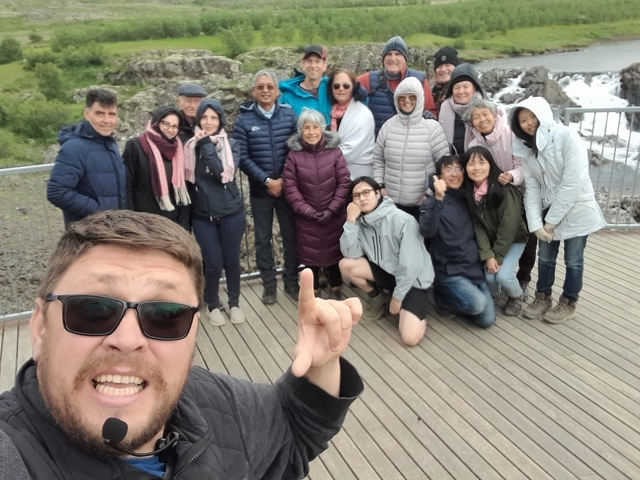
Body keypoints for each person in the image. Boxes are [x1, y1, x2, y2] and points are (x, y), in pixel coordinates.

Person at [0, 209, 364, 479]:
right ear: (39, 327)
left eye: (165, 315)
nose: (127, 340)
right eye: (93, 310)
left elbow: (293, 437)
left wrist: (322, 363)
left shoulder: (217, 402)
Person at [510, 96, 606, 324]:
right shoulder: (528, 149)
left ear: (543, 114)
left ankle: (569, 302)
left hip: (577, 207)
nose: (529, 123)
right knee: (545, 258)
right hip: (548, 209)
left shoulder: (567, 137)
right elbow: (531, 189)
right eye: (523, 120)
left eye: (533, 116)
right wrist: (536, 225)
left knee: (573, 259)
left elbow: (573, 183)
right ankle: (542, 297)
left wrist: (550, 221)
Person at [339, 177, 434, 346]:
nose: (362, 198)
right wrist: (350, 221)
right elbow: (350, 253)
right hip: (388, 273)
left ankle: (415, 312)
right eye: (356, 195)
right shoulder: (360, 221)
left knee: (410, 338)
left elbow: (411, 265)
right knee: (345, 265)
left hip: (413, 280)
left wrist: (398, 297)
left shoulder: (402, 219)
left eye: (366, 192)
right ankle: (378, 297)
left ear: (377, 193)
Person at [234, 70, 300, 305]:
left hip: (287, 188)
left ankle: (292, 281)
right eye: (260, 86)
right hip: (260, 190)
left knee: (290, 236)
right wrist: (266, 180)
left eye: (269, 87)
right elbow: (242, 157)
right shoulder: (244, 121)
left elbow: (296, 150)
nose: (265, 90)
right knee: (263, 239)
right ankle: (269, 285)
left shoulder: (290, 117)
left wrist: (283, 179)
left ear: (277, 91)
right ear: (253, 91)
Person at [464, 97, 536, 300]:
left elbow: (525, 165)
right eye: (476, 117)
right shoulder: (474, 143)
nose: (481, 119)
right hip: (490, 193)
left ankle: (522, 283)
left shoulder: (511, 134)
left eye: (485, 114)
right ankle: (499, 286)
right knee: (494, 228)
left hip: (517, 190)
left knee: (525, 239)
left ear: (494, 115)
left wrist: (511, 176)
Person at [185, 99, 246, 326]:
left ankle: (234, 303)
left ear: (221, 120)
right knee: (212, 263)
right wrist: (200, 145)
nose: (209, 122)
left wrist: (205, 146)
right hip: (203, 216)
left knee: (231, 261)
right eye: (204, 117)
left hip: (231, 213)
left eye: (214, 117)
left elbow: (223, 174)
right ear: (198, 119)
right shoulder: (189, 146)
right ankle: (212, 304)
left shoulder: (232, 145)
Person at [419, 155, 496, 328]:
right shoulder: (430, 203)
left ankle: (459, 295)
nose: (455, 174)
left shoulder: (468, 198)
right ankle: (443, 298)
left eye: (458, 168)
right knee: (478, 304)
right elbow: (427, 230)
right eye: (448, 170)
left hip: (473, 268)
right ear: (438, 176)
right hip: (449, 271)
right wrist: (438, 198)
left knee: (487, 320)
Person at [283, 109, 351, 299]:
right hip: (306, 217)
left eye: (315, 127)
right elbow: (290, 186)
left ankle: (336, 286)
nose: (311, 132)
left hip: (333, 214)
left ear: (323, 129)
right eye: (306, 128)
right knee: (309, 253)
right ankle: (313, 289)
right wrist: (307, 210)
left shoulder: (335, 153)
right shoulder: (293, 156)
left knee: (334, 250)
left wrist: (332, 208)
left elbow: (344, 181)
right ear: (300, 130)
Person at [461, 146, 529, 316]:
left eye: (481, 162)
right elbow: (478, 227)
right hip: (493, 243)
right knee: (490, 277)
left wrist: (496, 257)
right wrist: (487, 255)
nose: (476, 168)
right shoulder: (471, 194)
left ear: (491, 165)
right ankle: (498, 294)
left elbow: (509, 227)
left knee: (503, 276)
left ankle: (516, 295)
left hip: (514, 239)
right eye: (471, 164)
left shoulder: (503, 190)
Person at [372, 76, 449, 220]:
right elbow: (378, 159)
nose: (407, 101)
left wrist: (429, 193)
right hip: (390, 204)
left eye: (412, 97)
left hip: (421, 205)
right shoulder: (388, 126)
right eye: (402, 97)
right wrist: (379, 185)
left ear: (419, 98)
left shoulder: (432, 128)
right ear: (397, 100)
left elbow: (444, 167)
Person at [47, 88, 126, 226]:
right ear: (87, 113)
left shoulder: (108, 142)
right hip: (89, 231)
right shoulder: (74, 147)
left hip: (111, 227)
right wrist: (100, 212)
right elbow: (57, 192)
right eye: (100, 114)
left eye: (112, 114)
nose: (107, 120)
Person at [123, 105, 191, 231]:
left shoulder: (179, 149)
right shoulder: (136, 145)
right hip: (144, 221)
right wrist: (131, 220)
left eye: (175, 126)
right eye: (166, 124)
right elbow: (127, 184)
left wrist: (184, 225)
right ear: (156, 122)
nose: (170, 130)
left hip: (172, 221)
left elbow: (183, 187)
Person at [357, 35, 437, 136]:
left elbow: (432, 112)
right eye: (389, 54)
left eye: (398, 54)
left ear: (405, 59)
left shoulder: (420, 80)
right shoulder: (369, 79)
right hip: (376, 145)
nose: (392, 58)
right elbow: (345, 88)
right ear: (383, 58)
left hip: (408, 146)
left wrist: (429, 115)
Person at [327, 68, 375, 179]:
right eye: (336, 86)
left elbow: (350, 151)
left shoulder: (363, 113)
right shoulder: (330, 111)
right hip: (334, 174)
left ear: (353, 87)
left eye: (346, 86)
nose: (341, 89)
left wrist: (321, 158)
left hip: (358, 175)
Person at [438, 63, 485, 155]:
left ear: (474, 88)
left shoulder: (487, 110)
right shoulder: (444, 110)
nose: (461, 91)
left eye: (466, 87)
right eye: (457, 87)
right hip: (454, 166)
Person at [279, 45, 331, 123]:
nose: (313, 66)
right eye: (309, 61)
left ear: (324, 65)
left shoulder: (333, 87)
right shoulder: (288, 97)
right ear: (303, 64)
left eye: (317, 61)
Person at [431, 46, 460, 117]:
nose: (443, 69)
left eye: (448, 65)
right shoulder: (431, 92)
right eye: (439, 66)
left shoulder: (462, 92)